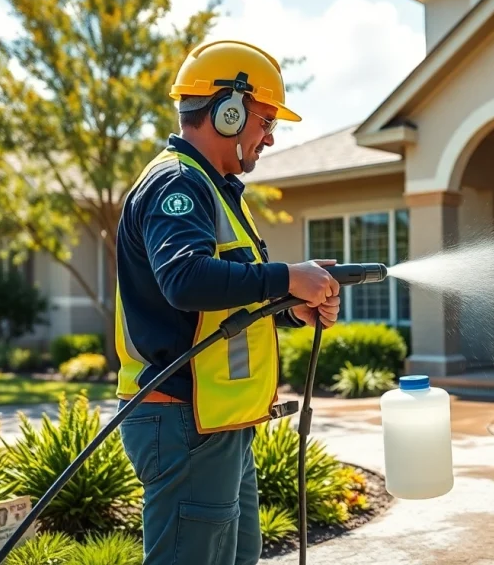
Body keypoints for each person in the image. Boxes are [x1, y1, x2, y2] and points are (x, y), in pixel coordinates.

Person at [113, 39, 341, 565]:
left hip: (217, 421)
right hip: (182, 418)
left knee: (238, 557)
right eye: (264, 120)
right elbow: (185, 279)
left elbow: (222, 300)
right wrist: (287, 275)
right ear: (227, 109)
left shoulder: (215, 191)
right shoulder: (179, 184)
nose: (270, 135)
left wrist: (290, 305)